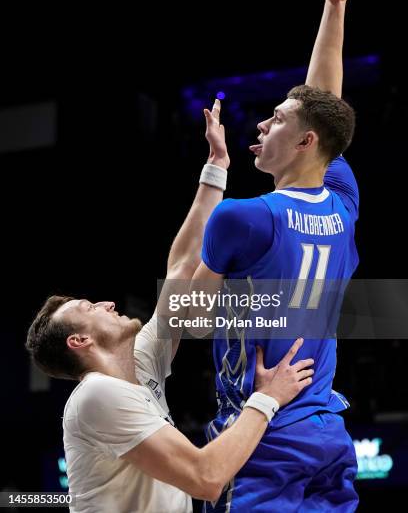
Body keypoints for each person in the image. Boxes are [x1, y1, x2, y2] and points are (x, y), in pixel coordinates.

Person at [25, 101, 315, 513]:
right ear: (80, 340)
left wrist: (216, 165)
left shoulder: (139, 363)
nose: (106, 302)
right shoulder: (96, 395)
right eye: (90, 307)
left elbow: (181, 268)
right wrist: (267, 398)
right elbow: (206, 478)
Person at [191, 0, 372, 512]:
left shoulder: (243, 215)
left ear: (303, 143)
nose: (262, 123)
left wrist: (213, 174)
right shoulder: (342, 200)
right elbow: (324, 103)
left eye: (276, 120)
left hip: (261, 433)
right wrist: (335, 6)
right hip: (325, 428)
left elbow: (188, 316)